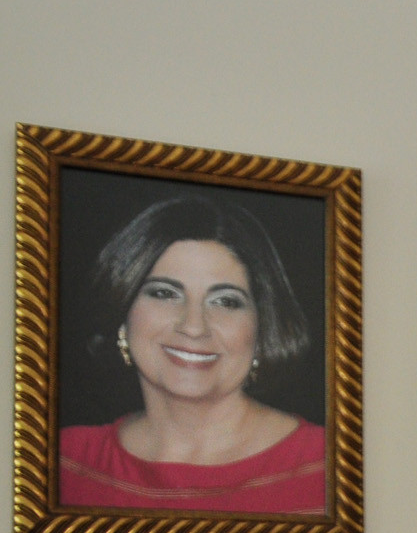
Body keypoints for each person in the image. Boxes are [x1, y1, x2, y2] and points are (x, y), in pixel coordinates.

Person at [58, 194, 326, 514]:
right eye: (164, 294)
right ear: (122, 312)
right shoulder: (64, 463)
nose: (194, 327)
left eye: (225, 301)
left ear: (263, 327)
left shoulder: (329, 468)